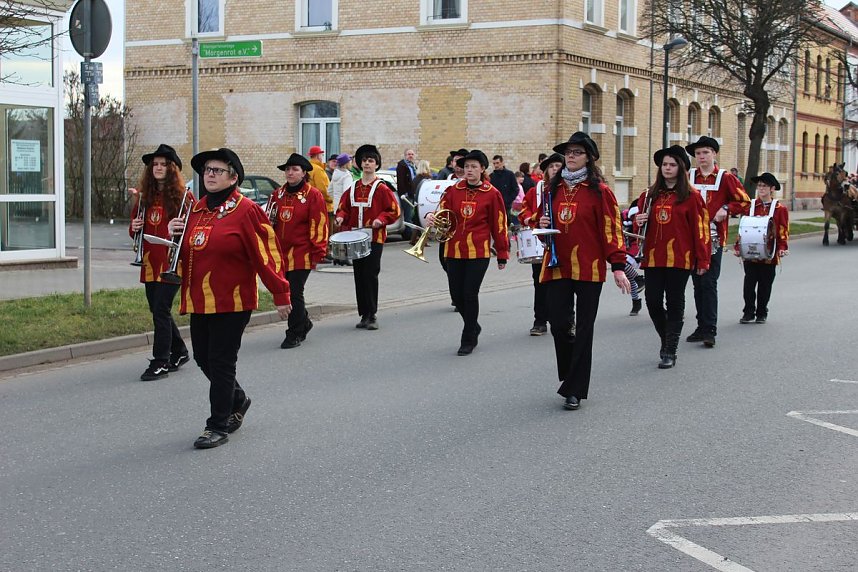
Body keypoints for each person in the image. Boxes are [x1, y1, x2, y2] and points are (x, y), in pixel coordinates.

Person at [168, 148, 291, 449]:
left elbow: (267, 255)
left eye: (217, 170)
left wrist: (281, 293)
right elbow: (191, 251)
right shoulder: (197, 209)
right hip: (200, 299)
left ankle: (217, 425)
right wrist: (175, 235)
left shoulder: (247, 210)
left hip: (233, 301)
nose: (209, 175)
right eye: (207, 170)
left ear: (233, 177)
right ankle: (237, 399)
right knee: (202, 358)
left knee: (221, 362)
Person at [538, 132, 630, 410]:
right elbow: (543, 227)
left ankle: (575, 389)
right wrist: (540, 222)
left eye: (577, 152)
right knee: (559, 325)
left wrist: (617, 265)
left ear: (589, 157)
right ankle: (569, 375)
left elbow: (611, 230)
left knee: (585, 329)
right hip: (557, 265)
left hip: (589, 268)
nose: (571, 156)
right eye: (568, 152)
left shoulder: (600, 191)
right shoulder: (552, 188)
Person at [633, 146, 710, 369]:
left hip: (680, 257)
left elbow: (701, 229)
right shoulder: (649, 195)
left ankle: (670, 350)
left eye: (672, 164)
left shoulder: (692, 196)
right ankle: (667, 338)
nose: (667, 168)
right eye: (664, 164)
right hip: (654, 256)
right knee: (653, 302)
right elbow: (639, 225)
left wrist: (703, 259)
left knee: (675, 301)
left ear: (681, 168)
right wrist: (640, 219)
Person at [431, 150, 509, 355]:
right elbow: (442, 212)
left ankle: (468, 337)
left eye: (474, 166)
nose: (469, 170)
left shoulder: (492, 193)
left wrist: (502, 252)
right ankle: (473, 324)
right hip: (454, 250)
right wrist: (433, 216)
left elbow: (499, 225)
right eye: (466, 167)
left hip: (479, 252)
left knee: (469, 293)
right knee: (456, 295)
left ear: (482, 169)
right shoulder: (453, 190)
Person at [128, 144, 193, 381]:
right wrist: (133, 227)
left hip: (171, 264)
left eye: (163, 164)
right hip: (149, 262)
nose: (157, 168)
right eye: (154, 164)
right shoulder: (146, 196)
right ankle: (180, 351)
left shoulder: (184, 197)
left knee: (161, 310)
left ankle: (160, 361)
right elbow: (136, 228)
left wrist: (176, 231)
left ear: (171, 168)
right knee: (157, 309)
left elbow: (193, 231)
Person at [685, 136, 750, 348]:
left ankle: (710, 329)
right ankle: (701, 325)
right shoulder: (688, 176)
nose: (701, 157)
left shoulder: (725, 178)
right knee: (696, 282)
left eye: (705, 152)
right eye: (698, 153)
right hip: (691, 238)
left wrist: (727, 209)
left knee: (708, 283)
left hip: (713, 238)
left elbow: (744, 201)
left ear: (714, 154)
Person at [335, 144, 400, 330]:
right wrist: (340, 217)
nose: (367, 164)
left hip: (374, 238)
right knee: (359, 275)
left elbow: (393, 210)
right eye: (364, 161)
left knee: (371, 275)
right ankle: (363, 314)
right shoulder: (353, 186)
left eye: (371, 161)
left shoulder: (382, 188)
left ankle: (372, 314)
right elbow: (343, 207)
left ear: (376, 164)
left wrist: (381, 219)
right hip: (355, 237)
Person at [270, 153, 329, 348]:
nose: (290, 172)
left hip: (301, 252)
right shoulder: (277, 194)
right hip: (280, 253)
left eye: (295, 169)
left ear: (304, 173)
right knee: (286, 291)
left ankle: (294, 333)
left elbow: (319, 224)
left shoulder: (314, 195)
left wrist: (318, 251)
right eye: (287, 169)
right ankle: (304, 322)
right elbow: (269, 221)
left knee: (294, 292)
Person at [516, 152, 564, 336]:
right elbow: (524, 212)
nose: (554, 169)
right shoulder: (536, 190)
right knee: (540, 282)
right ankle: (540, 321)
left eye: (558, 166)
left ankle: (565, 319)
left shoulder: (570, 190)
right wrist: (534, 220)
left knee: (563, 284)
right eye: (551, 167)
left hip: (564, 242)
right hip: (542, 245)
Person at [733, 172, 789, 324]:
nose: (761, 189)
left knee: (765, 285)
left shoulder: (779, 209)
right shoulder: (750, 206)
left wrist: (782, 247)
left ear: (772, 188)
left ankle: (762, 312)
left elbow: (783, 230)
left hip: (769, 255)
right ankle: (748, 312)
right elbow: (742, 228)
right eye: (759, 186)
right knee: (749, 284)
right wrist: (738, 247)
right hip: (750, 253)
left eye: (764, 186)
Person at [328, 153, 354, 265]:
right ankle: (345, 256)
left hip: (336, 207)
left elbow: (329, 191)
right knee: (346, 232)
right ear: (346, 164)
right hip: (345, 208)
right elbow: (347, 193)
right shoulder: (347, 175)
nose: (351, 163)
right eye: (350, 161)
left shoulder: (335, 174)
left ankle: (337, 256)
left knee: (337, 233)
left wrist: (336, 199)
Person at [307, 145, 334, 223]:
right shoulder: (318, 170)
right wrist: (331, 200)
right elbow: (323, 189)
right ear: (317, 156)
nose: (322, 157)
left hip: (311, 205)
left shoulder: (307, 168)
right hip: (324, 207)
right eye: (321, 155)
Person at [490, 154, 519, 223]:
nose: (496, 165)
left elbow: (515, 189)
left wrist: (508, 200)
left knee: (506, 224)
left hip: (506, 206)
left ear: (502, 163)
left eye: (497, 163)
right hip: (494, 206)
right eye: (494, 163)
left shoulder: (510, 174)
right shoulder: (491, 176)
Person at [396, 148, 418, 241]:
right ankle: (408, 235)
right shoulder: (402, 165)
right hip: (406, 195)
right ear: (405, 155)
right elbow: (400, 180)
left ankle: (413, 233)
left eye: (412, 154)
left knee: (412, 214)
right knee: (408, 215)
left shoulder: (413, 166)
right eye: (409, 154)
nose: (411, 156)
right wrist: (403, 193)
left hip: (412, 193)